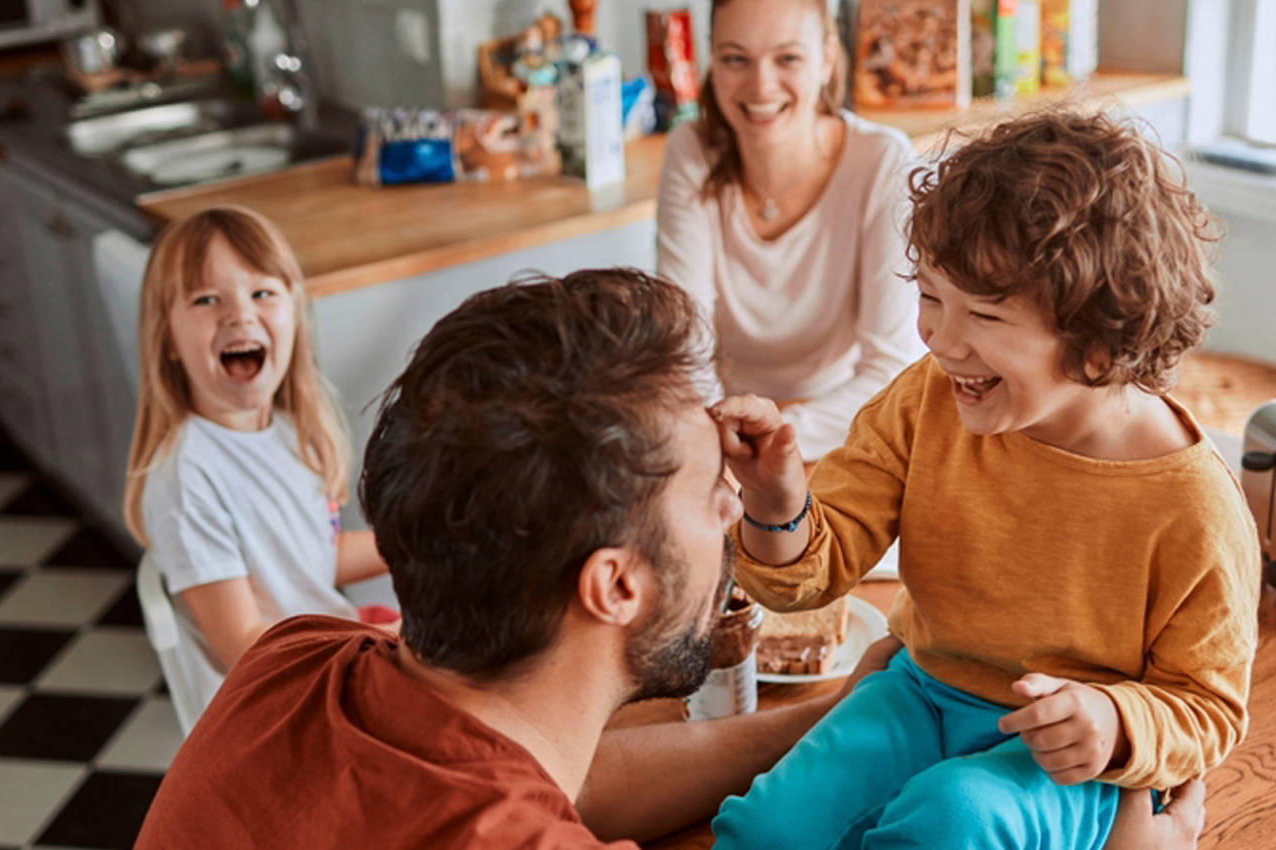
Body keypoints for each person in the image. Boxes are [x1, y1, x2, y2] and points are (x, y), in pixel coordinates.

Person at [134, 268, 1206, 849]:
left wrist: (840, 717)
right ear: (615, 585)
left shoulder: (292, 662)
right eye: (709, 493)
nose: (735, 506)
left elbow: (564, 778)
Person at [710, 111, 1259, 849]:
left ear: (1100, 342)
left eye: (987, 315)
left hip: (1063, 760)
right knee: (767, 828)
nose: (939, 338)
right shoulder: (924, 399)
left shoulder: (1193, 505)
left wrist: (1112, 722)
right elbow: (808, 574)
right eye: (932, 297)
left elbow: (1209, 708)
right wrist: (777, 505)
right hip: (919, 694)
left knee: (949, 818)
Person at [122, 205, 391, 723]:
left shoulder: (288, 433)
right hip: (278, 710)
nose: (239, 314)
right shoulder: (187, 477)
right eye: (206, 299)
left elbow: (312, 558)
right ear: (168, 341)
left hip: (325, 664)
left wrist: (418, 544)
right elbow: (247, 652)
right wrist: (388, 644)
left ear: (293, 311)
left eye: (262, 292)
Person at [657, 0, 926, 461]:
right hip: (719, 433)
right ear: (713, 63)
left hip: (842, 434)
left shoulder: (881, 160)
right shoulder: (691, 150)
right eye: (735, 58)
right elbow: (684, 350)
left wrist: (769, 430)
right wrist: (723, 436)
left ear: (825, 58)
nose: (761, 85)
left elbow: (892, 370)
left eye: (788, 58)